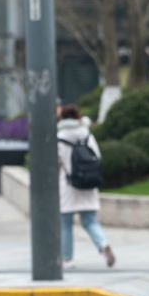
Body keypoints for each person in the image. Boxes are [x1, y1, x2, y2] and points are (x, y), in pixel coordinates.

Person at [57, 105, 115, 269]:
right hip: (88, 184)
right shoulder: (87, 134)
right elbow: (97, 155)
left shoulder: (59, 137)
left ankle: (67, 259)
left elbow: (55, 162)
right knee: (89, 221)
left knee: (66, 223)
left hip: (68, 185)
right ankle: (103, 245)